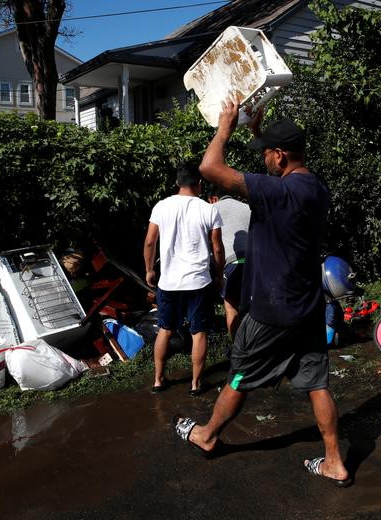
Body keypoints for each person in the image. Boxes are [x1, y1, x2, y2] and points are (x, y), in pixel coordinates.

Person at [172, 101, 352, 488]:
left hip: (273, 308)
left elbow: (209, 169)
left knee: (239, 376)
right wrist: (258, 135)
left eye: (268, 153)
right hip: (307, 305)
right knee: (317, 383)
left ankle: (206, 434)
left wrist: (225, 128)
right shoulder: (315, 187)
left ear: (281, 155)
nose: (264, 159)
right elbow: (273, 172)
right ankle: (334, 461)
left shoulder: (279, 193)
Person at [143, 164, 225, 395]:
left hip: (168, 282)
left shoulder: (162, 206)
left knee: (165, 330)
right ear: (198, 184)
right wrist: (218, 276)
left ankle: (158, 380)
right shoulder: (209, 210)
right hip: (199, 281)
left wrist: (149, 270)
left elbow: (150, 242)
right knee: (199, 332)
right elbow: (217, 249)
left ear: (178, 183)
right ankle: (196, 384)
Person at [207, 186, 251, 338]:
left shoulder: (211, 210)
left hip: (232, 263)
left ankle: (239, 351)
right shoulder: (246, 208)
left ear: (213, 199)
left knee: (231, 307)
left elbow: (214, 246)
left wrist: (218, 275)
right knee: (253, 307)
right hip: (253, 262)